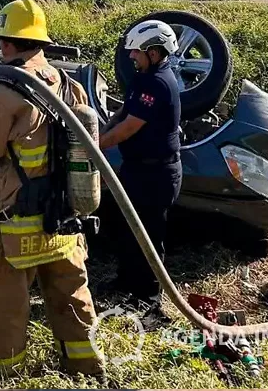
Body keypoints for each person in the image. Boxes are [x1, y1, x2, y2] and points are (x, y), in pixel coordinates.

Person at [0, 0, 106, 379]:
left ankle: (3, 376)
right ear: (41, 42)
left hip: (13, 226)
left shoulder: (1, 93)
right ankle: (86, 368)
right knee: (72, 298)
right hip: (63, 223)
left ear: (8, 43)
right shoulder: (68, 85)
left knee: (6, 306)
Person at [98, 19, 183, 329]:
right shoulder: (143, 77)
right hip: (137, 169)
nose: (131, 57)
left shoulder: (158, 83)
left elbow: (131, 127)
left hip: (157, 174)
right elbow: (123, 112)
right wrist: (99, 130)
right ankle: (126, 283)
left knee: (149, 235)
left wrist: (96, 146)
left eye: (136, 52)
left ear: (155, 52)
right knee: (127, 228)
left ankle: (149, 297)